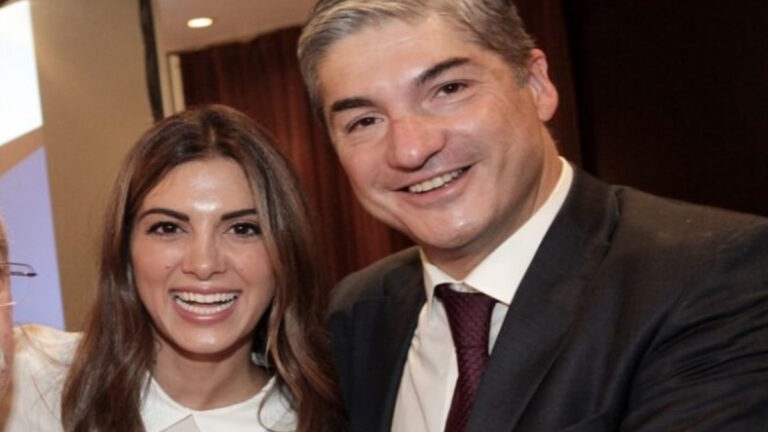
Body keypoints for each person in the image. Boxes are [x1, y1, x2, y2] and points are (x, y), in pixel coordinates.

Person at [297, 1, 768, 431]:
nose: (411, 149)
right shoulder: (352, 314)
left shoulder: (710, 276)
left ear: (537, 85)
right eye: (364, 121)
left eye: (448, 89)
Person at [0, 105, 344, 431]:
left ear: (286, 250)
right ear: (125, 250)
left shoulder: (320, 419)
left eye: (243, 229)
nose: (204, 264)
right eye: (168, 228)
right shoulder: (31, 378)